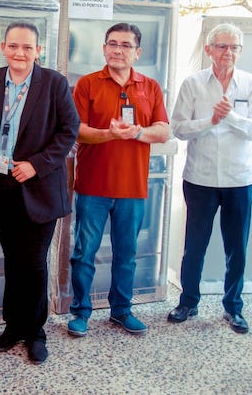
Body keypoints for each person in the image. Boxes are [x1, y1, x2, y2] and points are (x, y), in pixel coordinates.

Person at [0, 22, 79, 365]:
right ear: (3, 47)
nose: (19, 53)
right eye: (13, 46)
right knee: (13, 258)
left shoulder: (54, 83)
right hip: (0, 185)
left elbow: (69, 131)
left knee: (34, 262)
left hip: (39, 186)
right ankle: (13, 325)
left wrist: (36, 164)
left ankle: (35, 332)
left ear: (39, 51)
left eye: (27, 47)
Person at [68, 22, 170, 338]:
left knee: (126, 255)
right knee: (84, 253)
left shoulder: (150, 87)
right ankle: (81, 312)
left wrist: (137, 132)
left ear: (137, 52)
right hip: (93, 186)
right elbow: (77, 130)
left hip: (132, 188)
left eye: (126, 45)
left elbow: (163, 130)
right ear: (104, 49)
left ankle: (121, 311)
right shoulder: (87, 84)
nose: (118, 50)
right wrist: (108, 134)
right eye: (112, 43)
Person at [167, 23, 252, 334]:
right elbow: (178, 128)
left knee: (237, 247)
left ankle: (233, 307)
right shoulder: (193, 84)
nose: (228, 52)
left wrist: (230, 116)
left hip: (240, 178)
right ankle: (188, 302)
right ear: (209, 49)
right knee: (194, 245)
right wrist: (210, 120)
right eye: (222, 46)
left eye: (234, 47)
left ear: (240, 51)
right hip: (201, 177)